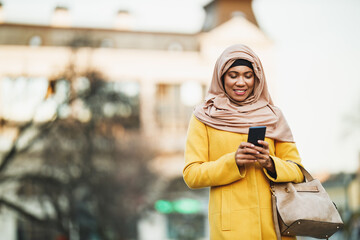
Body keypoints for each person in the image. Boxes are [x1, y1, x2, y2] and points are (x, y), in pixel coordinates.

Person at [183, 44, 304, 240]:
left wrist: (270, 163)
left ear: (257, 78)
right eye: (233, 75)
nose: (241, 82)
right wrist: (234, 162)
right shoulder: (204, 117)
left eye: (248, 75)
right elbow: (191, 174)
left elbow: (298, 171)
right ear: (221, 77)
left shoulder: (273, 116)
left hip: (275, 229)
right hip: (230, 231)